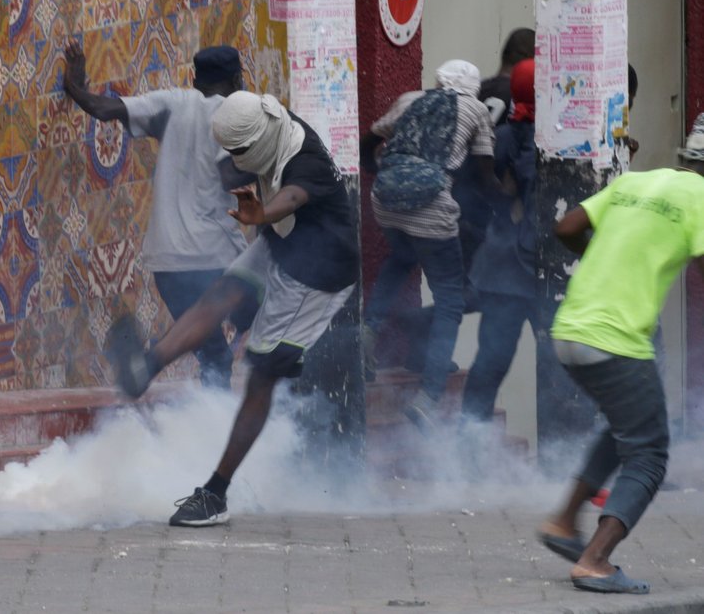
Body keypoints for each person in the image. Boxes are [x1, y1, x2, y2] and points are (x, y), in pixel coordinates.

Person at [106, 91, 359, 526]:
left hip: (315, 278)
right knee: (221, 293)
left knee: (260, 375)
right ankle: (144, 368)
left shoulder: (306, 162)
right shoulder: (268, 123)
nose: (233, 163)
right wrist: (263, 218)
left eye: (239, 155)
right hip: (281, 244)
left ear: (258, 143)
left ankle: (215, 495)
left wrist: (262, 214)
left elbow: (293, 197)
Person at [536, 114, 704, 595]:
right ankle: (595, 561)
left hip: (570, 330)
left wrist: (604, 259)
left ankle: (563, 524)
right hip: (616, 341)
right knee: (649, 453)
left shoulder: (638, 181)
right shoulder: (701, 201)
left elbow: (566, 226)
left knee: (625, 426)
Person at [63, 41, 249, 390]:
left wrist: (75, 85)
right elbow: (230, 177)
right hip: (213, 256)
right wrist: (263, 164)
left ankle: (186, 406)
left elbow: (104, 109)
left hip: (167, 262)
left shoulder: (172, 103)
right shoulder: (233, 114)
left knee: (214, 355)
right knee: (262, 301)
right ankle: (159, 376)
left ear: (195, 79)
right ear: (238, 80)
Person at [362, 60, 510, 429]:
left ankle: (367, 332)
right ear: (473, 89)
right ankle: (429, 396)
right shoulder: (476, 110)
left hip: (386, 201)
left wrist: (380, 175)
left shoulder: (410, 98)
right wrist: (509, 210)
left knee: (401, 256)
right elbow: (484, 174)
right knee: (450, 300)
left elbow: (370, 140)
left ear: (439, 81)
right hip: (431, 208)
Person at [460, 59, 539, 427]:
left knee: (490, 362)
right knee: (556, 365)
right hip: (537, 271)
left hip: (502, 267)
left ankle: (467, 448)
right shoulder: (547, 138)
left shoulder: (503, 135)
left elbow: (482, 188)